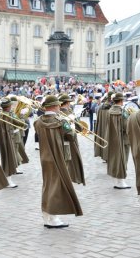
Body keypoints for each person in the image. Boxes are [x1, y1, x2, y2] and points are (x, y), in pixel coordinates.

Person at [34, 95, 83, 228]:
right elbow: (71, 137)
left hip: (45, 157)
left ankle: (46, 215)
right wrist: (72, 124)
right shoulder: (61, 121)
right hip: (59, 156)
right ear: (55, 106)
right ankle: (53, 218)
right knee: (57, 185)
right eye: (58, 105)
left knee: (48, 184)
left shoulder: (38, 121)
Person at [0, 98, 26, 188]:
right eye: (11, 106)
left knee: (10, 158)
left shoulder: (5, 115)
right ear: (8, 107)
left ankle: (8, 180)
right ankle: (7, 181)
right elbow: (20, 123)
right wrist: (22, 117)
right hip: (8, 139)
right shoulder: (6, 115)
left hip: (9, 138)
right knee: (8, 159)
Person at [59, 94, 85, 185]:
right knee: (70, 159)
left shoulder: (59, 113)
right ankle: (69, 179)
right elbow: (79, 128)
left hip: (64, 139)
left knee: (67, 160)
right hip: (70, 138)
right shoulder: (68, 113)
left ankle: (69, 178)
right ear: (67, 103)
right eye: (69, 102)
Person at [106, 93, 131, 189]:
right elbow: (126, 127)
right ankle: (121, 181)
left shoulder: (110, 111)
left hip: (112, 139)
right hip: (123, 140)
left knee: (115, 159)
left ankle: (116, 180)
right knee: (123, 160)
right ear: (121, 101)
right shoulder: (123, 112)